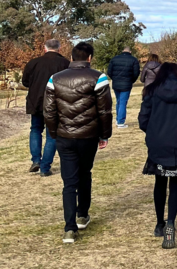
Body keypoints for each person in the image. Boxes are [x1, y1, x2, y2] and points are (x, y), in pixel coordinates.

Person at [44, 42, 112, 244]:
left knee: (69, 182)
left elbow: (48, 110)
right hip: (88, 136)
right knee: (85, 174)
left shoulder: (54, 79)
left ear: (71, 57)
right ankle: (82, 214)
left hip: (64, 137)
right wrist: (104, 135)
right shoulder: (98, 77)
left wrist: (55, 133)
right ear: (89, 58)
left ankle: (69, 228)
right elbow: (104, 111)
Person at [138, 63, 177, 249]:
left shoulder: (151, 90)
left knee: (159, 182)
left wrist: (152, 132)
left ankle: (160, 223)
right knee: (176, 183)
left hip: (158, 143)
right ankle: (171, 222)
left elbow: (143, 118)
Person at [22, 39, 70, 176]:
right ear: (59, 49)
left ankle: (36, 160)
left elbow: (25, 82)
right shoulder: (65, 64)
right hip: (56, 103)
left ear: (45, 48)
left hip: (36, 102)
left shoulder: (33, 63)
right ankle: (45, 167)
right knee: (52, 134)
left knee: (35, 129)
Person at [107, 46, 140, 128]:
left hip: (116, 83)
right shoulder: (134, 60)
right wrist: (131, 80)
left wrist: (114, 78)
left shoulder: (114, 59)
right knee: (122, 102)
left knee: (119, 101)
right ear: (130, 52)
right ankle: (121, 122)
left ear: (122, 51)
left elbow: (109, 72)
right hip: (126, 84)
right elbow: (136, 73)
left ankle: (118, 119)